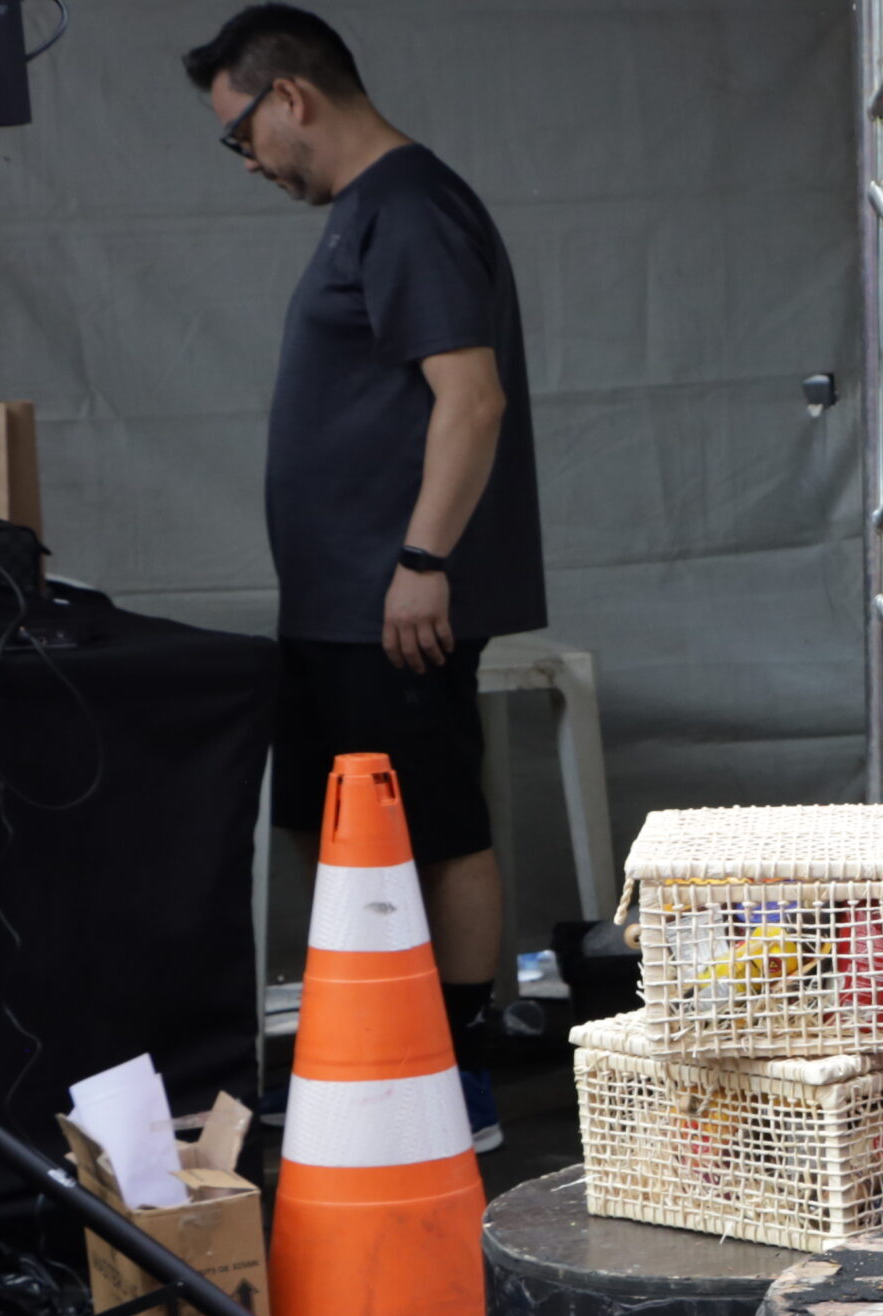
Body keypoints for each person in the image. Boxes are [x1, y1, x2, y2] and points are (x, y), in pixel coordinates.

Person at [185, 6, 546, 1151]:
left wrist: (422, 562)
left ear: (289, 96)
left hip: (394, 605)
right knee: (329, 824)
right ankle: (378, 1055)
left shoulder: (411, 208)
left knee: (434, 825)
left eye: (242, 134)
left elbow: (470, 399)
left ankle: (461, 1079)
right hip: (337, 605)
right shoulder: (368, 212)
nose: (248, 161)